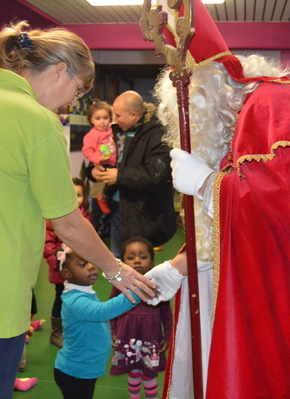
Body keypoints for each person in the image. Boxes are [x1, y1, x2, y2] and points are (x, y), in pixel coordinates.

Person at [0, 21, 156, 399]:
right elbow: (67, 223)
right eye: (78, 89)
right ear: (59, 71)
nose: (73, 100)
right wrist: (115, 269)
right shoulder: (37, 121)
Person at [146, 1, 290, 398]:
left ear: (208, 93)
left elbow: (287, 214)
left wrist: (207, 183)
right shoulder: (242, 112)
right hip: (259, 288)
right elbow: (239, 226)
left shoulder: (273, 109)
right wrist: (181, 267)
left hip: (284, 302)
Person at [87, 91, 176, 257]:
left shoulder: (157, 134)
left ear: (133, 115)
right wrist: (92, 171)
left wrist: (119, 176)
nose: (114, 119)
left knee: (139, 265)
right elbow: (98, 157)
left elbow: (156, 174)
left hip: (143, 214)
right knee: (116, 261)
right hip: (115, 211)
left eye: (118, 115)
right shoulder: (113, 131)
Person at [53, 244, 141, 399]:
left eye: (91, 262)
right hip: (76, 374)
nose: (91, 266)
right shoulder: (74, 300)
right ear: (66, 273)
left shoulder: (82, 292)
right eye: (82, 264)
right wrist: (138, 290)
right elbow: (101, 312)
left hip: (85, 370)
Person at [109, 237, 173, 399]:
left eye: (143, 257)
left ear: (152, 263)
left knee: (149, 375)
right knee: (134, 372)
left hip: (150, 339)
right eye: (131, 258)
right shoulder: (120, 286)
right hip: (127, 337)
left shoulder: (157, 286)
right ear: (123, 264)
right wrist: (114, 332)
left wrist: (167, 336)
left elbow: (167, 316)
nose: (137, 261)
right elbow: (111, 311)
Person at [44, 177, 91, 347]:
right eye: (71, 195)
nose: (75, 200)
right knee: (61, 299)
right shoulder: (54, 218)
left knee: (79, 298)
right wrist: (57, 263)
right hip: (61, 270)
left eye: (78, 195)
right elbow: (48, 244)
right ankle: (56, 333)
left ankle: (74, 329)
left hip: (80, 270)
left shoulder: (86, 215)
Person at [82, 100, 116, 214]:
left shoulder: (112, 130)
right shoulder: (92, 135)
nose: (102, 122)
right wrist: (98, 159)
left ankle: (104, 197)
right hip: (101, 166)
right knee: (99, 188)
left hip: (114, 164)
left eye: (105, 118)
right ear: (91, 120)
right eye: (98, 118)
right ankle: (100, 200)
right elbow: (87, 151)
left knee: (114, 184)